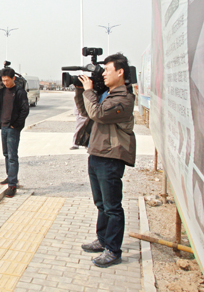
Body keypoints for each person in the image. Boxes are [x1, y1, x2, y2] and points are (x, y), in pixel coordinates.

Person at [75, 53, 136, 268]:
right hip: (97, 153)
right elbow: (86, 112)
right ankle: (102, 240)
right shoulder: (105, 94)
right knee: (101, 204)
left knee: (112, 207)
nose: (104, 74)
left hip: (111, 156)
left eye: (107, 70)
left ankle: (113, 250)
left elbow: (98, 114)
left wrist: (89, 91)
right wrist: (81, 90)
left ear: (120, 72)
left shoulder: (124, 99)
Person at [0, 67, 29, 198]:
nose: (5, 83)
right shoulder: (2, 91)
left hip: (12, 128)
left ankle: (12, 185)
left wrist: (15, 125)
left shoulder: (19, 92)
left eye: (7, 80)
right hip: (4, 126)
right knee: (6, 154)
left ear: (13, 78)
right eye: (3, 80)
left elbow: (25, 110)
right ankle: (10, 177)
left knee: (12, 156)